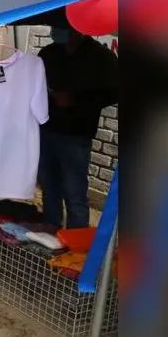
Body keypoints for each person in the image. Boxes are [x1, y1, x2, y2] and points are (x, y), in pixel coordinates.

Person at [38, 25, 119, 229]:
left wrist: (76, 99)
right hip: (46, 129)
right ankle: (50, 232)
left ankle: (76, 245)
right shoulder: (48, 53)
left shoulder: (101, 57)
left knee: (74, 192)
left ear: (79, 27)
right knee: (49, 187)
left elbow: (114, 92)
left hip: (76, 133)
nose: (56, 30)